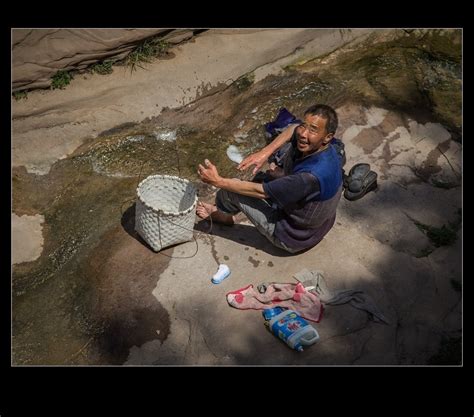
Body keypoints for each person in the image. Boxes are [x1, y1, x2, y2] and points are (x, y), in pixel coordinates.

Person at [196, 104, 343, 254]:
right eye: (304, 125)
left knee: (232, 190)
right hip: (320, 225)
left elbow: (261, 192)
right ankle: (243, 209)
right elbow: (293, 128)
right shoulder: (330, 150)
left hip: (293, 237)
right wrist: (265, 153)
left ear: (328, 137)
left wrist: (217, 181)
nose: (304, 133)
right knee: (270, 175)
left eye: (313, 130)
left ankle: (223, 216)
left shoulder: (309, 176)